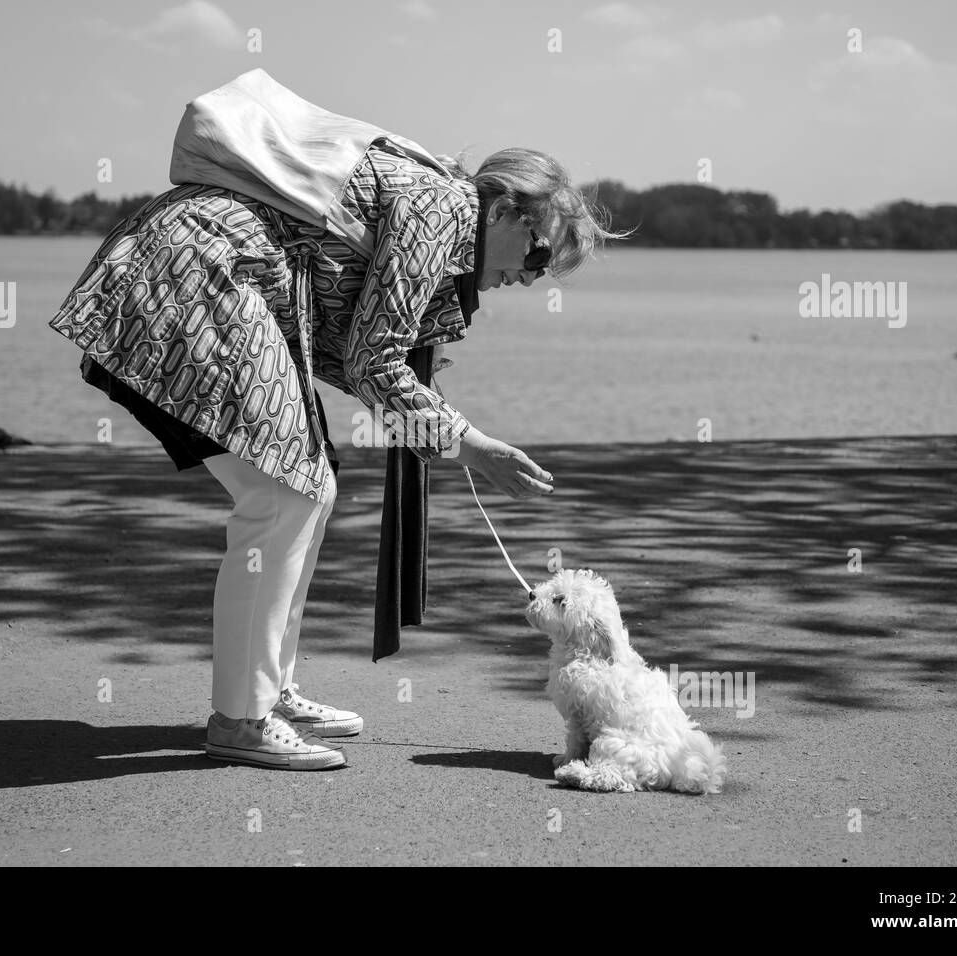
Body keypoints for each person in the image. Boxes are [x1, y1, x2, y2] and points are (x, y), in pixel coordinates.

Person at [48, 137, 625, 770]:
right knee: (283, 494)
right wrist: (471, 444)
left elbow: (359, 350)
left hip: (202, 271)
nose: (529, 276)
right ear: (505, 211)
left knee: (304, 486)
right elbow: (370, 359)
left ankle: (264, 692)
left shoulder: (447, 218)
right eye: (539, 253)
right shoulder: (441, 210)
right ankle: (242, 716)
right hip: (198, 275)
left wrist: (440, 424)